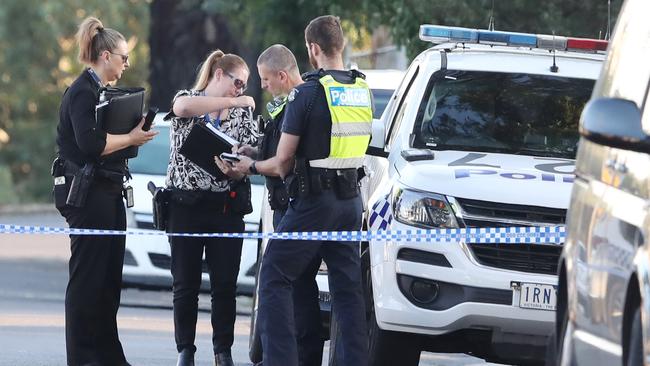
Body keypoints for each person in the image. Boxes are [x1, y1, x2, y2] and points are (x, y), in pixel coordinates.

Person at [232, 15, 372, 366]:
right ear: (339, 45)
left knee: (275, 273)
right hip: (350, 201)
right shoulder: (359, 88)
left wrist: (248, 166)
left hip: (315, 202)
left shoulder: (307, 93)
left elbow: (281, 164)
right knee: (347, 291)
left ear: (312, 49)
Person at [53, 16, 158, 366]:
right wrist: (131, 137)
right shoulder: (81, 92)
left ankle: (108, 356)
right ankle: (81, 358)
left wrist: (132, 135)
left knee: (109, 281)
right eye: (124, 57)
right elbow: (91, 144)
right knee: (87, 280)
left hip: (109, 192)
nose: (127, 64)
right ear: (106, 55)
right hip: (86, 195)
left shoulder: (102, 92)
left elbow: (114, 146)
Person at [165, 49, 257, 366]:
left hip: (224, 209)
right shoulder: (189, 100)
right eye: (237, 83)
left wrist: (240, 169)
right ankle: (185, 351)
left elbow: (254, 154)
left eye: (244, 87)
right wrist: (233, 102)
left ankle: (223, 351)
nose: (241, 91)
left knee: (224, 286)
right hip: (185, 206)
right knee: (185, 284)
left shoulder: (243, 114)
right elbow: (181, 107)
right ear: (219, 74)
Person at [237, 44, 325, 366]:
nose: (262, 86)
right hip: (292, 206)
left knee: (287, 285)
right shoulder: (287, 105)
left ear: (282, 75)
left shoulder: (300, 103)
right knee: (295, 288)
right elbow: (276, 149)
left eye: (264, 78)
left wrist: (249, 167)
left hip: (297, 207)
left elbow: (284, 163)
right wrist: (255, 151)